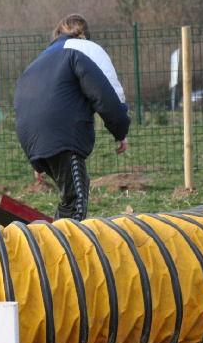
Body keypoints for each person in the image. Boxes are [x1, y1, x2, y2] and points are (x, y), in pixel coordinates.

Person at [13, 14, 130, 222]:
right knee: (75, 200)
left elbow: (30, 106)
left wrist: (37, 161)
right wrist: (120, 130)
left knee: (73, 194)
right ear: (85, 33)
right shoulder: (86, 49)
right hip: (63, 135)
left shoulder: (40, 60)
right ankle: (60, 250)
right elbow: (107, 92)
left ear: (56, 34)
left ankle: (54, 243)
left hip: (31, 138)